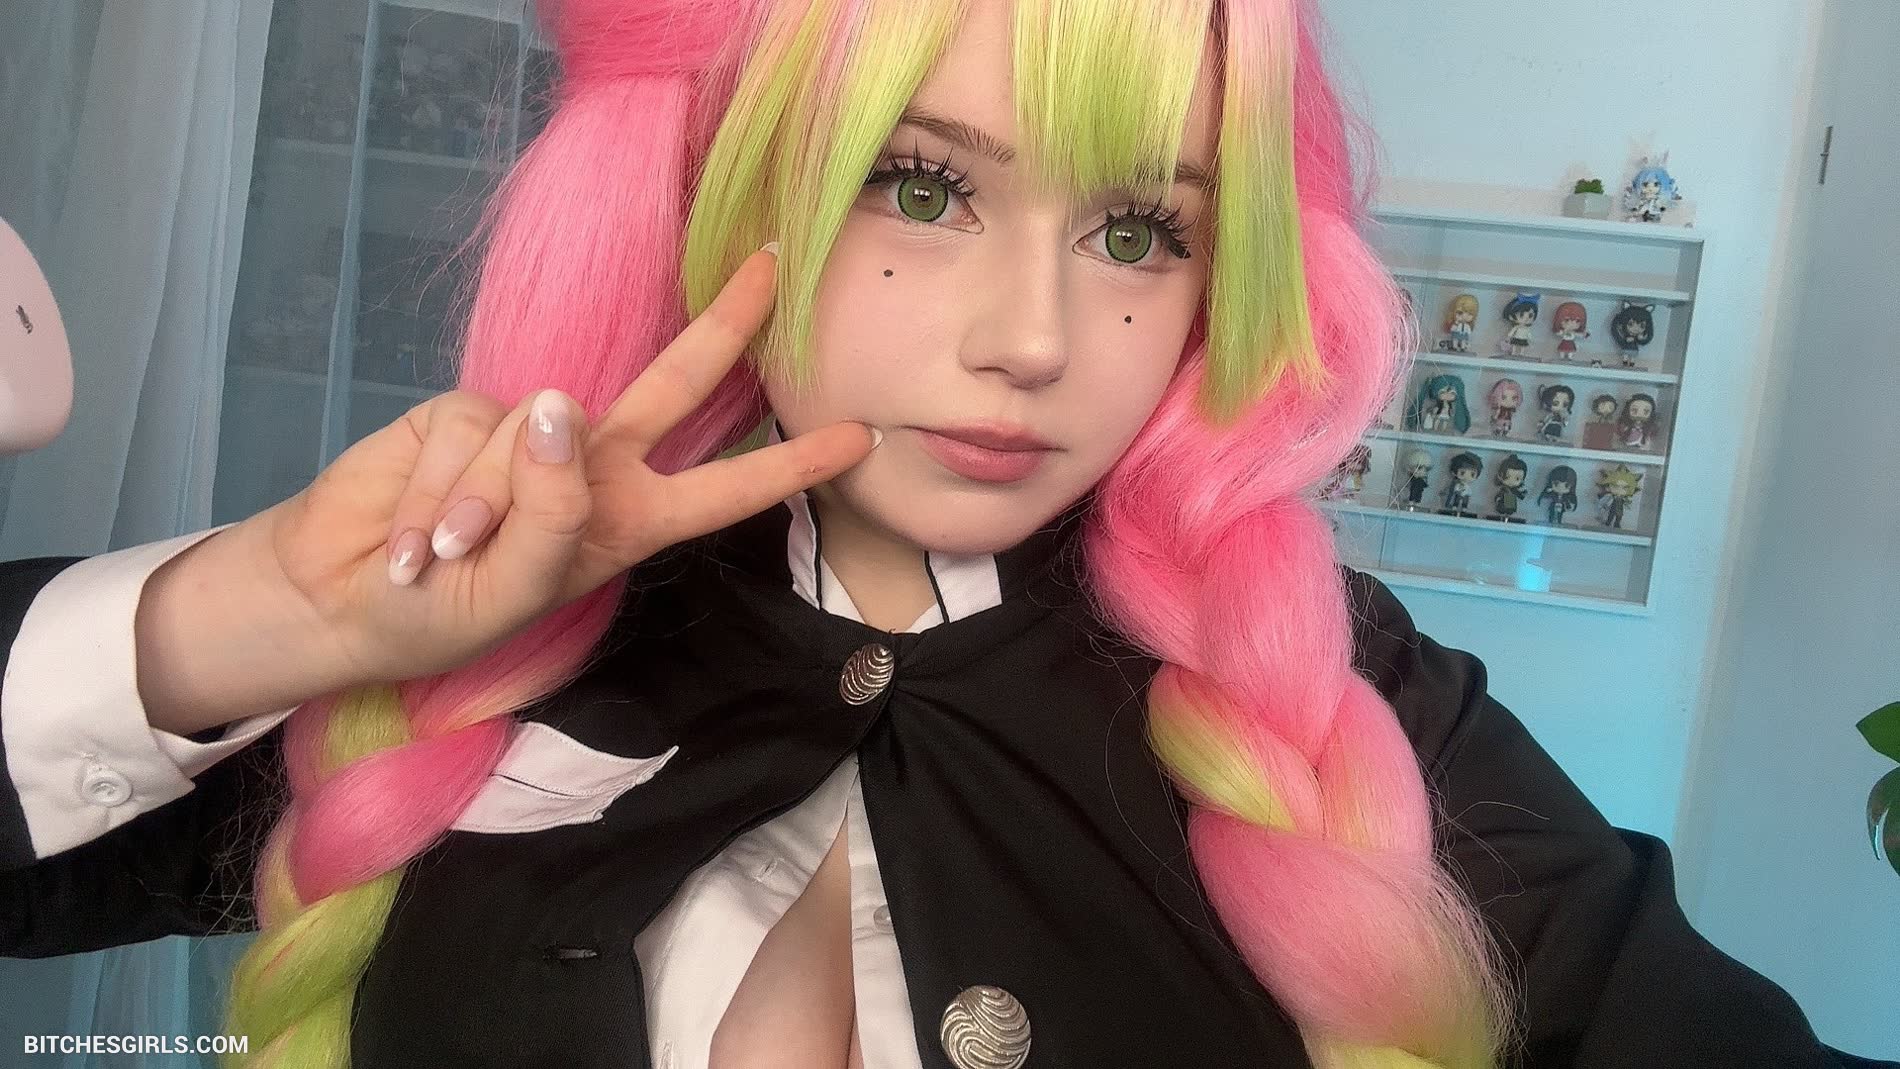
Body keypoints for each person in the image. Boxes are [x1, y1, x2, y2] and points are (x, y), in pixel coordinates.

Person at [0, 1, 1887, 1067]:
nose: (1034, 338)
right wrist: (268, 614)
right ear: (731, 183)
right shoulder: (494, 625)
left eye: (1138, 231)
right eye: (923, 188)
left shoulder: (1344, 706)